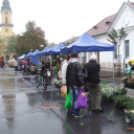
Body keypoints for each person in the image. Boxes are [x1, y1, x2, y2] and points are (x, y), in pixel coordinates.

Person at [66, 51, 84, 117]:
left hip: (71, 84)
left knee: (73, 99)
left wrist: (68, 84)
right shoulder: (78, 64)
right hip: (77, 84)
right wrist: (82, 84)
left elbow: (67, 75)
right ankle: (76, 113)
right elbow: (80, 75)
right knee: (77, 99)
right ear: (76, 56)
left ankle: (73, 112)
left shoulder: (69, 64)